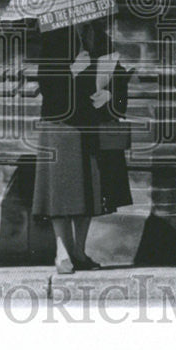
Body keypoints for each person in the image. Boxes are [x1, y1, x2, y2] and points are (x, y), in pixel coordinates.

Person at [32, 18, 133, 274]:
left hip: (90, 120)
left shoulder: (99, 37)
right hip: (60, 123)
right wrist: (72, 72)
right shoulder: (54, 37)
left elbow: (118, 75)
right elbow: (45, 82)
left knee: (87, 190)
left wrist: (111, 95)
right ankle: (62, 250)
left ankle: (79, 250)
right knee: (61, 190)